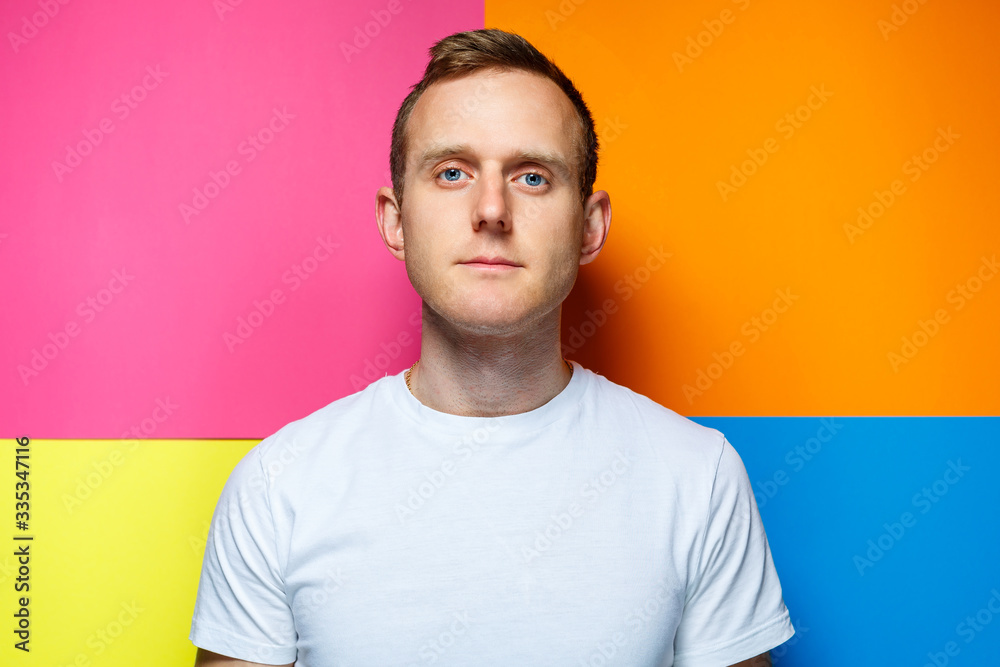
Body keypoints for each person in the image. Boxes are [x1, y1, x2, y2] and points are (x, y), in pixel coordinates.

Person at [190, 28, 795, 666]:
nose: (491, 210)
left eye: (532, 177)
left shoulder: (698, 477)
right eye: (451, 172)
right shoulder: (278, 487)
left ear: (589, 227)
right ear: (396, 220)